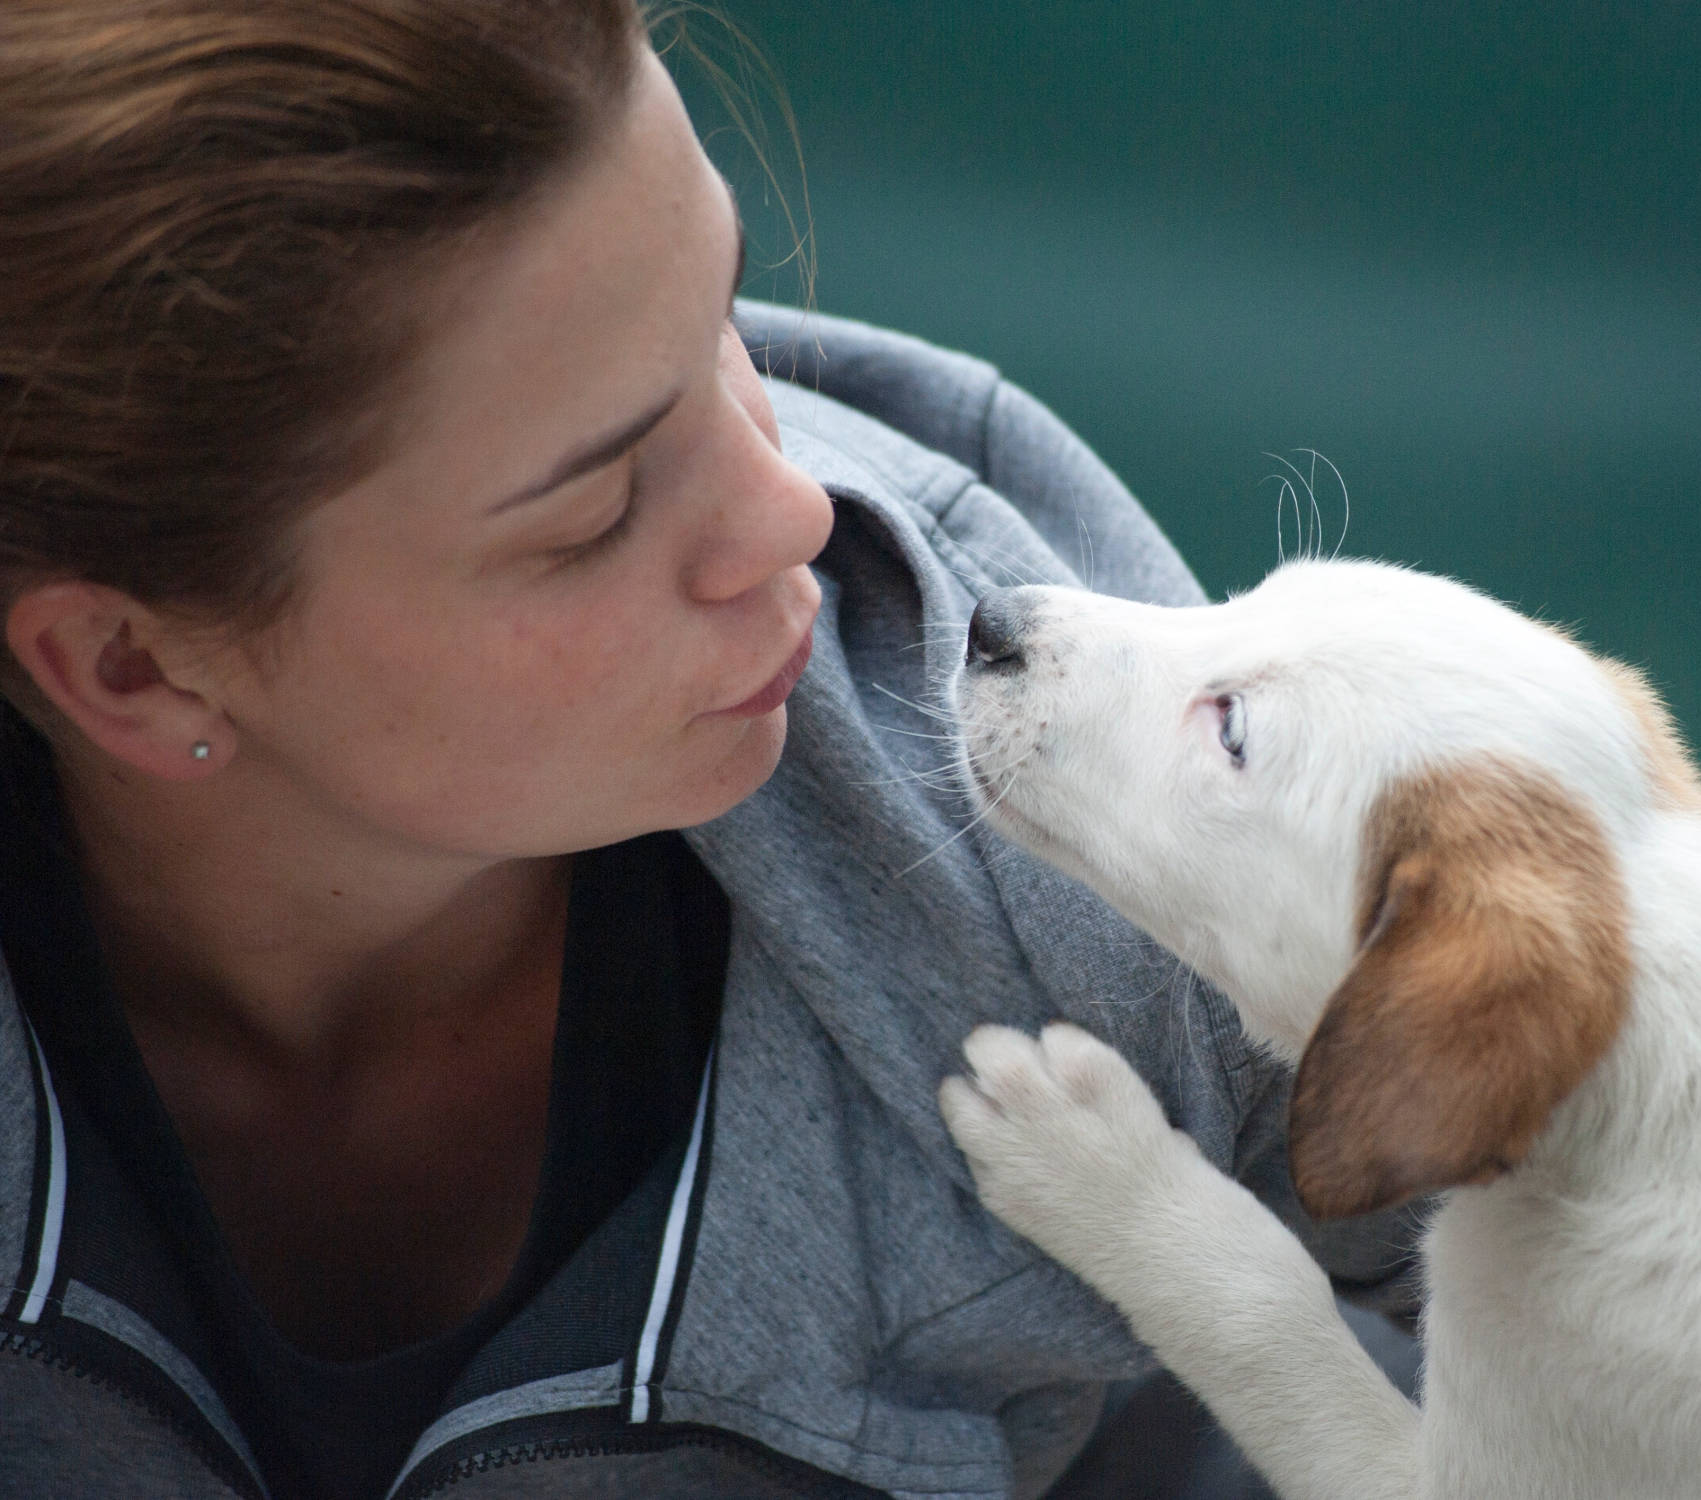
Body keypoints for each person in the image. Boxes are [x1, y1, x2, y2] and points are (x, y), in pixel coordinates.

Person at [0, 2, 1418, 1495]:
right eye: (595, 513)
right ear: (133, 669)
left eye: (727, 319)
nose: (792, 507)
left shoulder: (1102, 880)